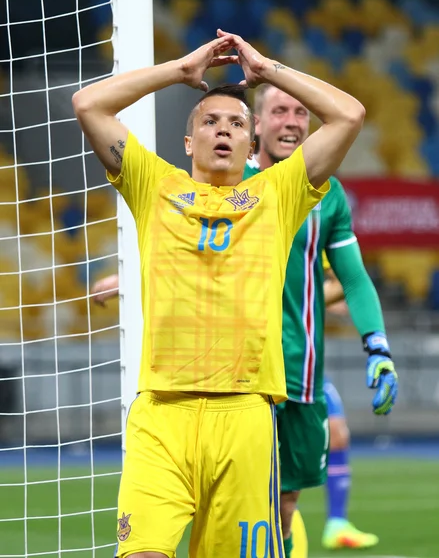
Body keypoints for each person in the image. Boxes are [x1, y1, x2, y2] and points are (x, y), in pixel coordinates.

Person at [73, 29, 365, 558]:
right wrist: (179, 71)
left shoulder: (277, 195)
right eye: (209, 121)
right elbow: (88, 103)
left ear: (253, 145)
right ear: (189, 142)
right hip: (162, 414)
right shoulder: (152, 184)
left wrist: (267, 70)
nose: (222, 130)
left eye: (236, 123)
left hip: (246, 417)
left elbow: (349, 115)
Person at [242, 83, 397, 557]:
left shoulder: (328, 195)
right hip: (242, 373)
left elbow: (353, 279)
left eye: (301, 113)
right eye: (279, 111)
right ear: (256, 124)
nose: (291, 121)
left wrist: (379, 347)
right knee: (245, 504)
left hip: (302, 374)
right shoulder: (229, 180)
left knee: (286, 502)